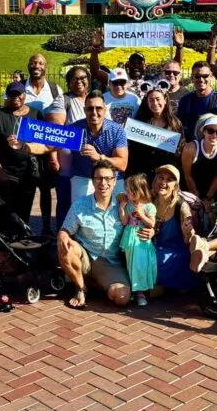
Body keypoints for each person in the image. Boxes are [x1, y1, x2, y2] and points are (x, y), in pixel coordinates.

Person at [57, 159, 131, 309]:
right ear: (93, 180)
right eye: (98, 178)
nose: (103, 183)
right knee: (67, 247)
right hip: (86, 257)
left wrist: (150, 230)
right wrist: (63, 236)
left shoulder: (123, 206)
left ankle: (96, 283)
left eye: (108, 178)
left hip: (110, 262)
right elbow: (65, 230)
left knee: (122, 297)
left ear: (114, 181)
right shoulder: (80, 204)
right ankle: (80, 288)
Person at [0, 81, 44, 224]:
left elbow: (44, 142)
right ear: (7, 96)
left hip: (29, 172)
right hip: (7, 171)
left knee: (25, 208)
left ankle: (23, 237)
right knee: (6, 210)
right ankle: (7, 240)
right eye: (12, 94)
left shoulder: (36, 115)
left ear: (24, 95)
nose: (16, 97)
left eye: (19, 94)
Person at [23, 54, 65, 237]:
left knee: (46, 188)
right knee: (25, 188)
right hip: (26, 145)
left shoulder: (55, 90)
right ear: (28, 66)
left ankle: (47, 225)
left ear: (46, 67)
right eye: (33, 62)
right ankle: (24, 225)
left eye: (40, 63)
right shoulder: (21, 89)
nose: (36, 65)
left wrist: (54, 154)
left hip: (47, 147)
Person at [68, 91, 128, 202]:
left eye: (98, 108)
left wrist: (99, 157)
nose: (94, 112)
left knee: (120, 210)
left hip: (112, 176)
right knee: (80, 214)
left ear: (105, 110)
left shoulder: (117, 130)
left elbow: (122, 164)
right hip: (83, 175)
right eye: (90, 109)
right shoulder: (74, 129)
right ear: (84, 110)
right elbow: (52, 141)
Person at [89, 28, 184, 97]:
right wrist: (95, 48)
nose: (136, 66)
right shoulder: (119, 81)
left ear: (145, 66)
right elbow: (95, 72)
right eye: (133, 63)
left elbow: (175, 67)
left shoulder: (154, 81)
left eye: (139, 63)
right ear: (127, 65)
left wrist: (179, 47)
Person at [150, 164, 198, 292]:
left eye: (169, 180)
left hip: (175, 251)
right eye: (161, 178)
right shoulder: (151, 199)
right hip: (155, 246)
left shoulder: (181, 206)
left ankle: (160, 288)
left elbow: (189, 240)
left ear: (175, 186)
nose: (163, 182)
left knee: (156, 260)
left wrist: (188, 231)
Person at [55, 66, 91, 229]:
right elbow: (54, 131)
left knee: (85, 202)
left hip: (88, 165)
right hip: (68, 166)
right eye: (74, 79)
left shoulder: (94, 99)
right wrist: (52, 157)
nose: (79, 81)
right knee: (65, 202)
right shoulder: (64, 100)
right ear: (69, 83)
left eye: (83, 77)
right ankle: (62, 237)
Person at [125, 87, 183, 182]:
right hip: (142, 175)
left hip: (165, 175)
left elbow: (179, 150)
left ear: (165, 100)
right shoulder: (139, 123)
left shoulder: (175, 124)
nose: (155, 103)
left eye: (158, 99)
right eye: (151, 100)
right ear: (147, 102)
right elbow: (133, 152)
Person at [116, 174, 157, 307]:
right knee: (129, 264)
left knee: (140, 265)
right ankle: (132, 290)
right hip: (129, 238)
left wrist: (141, 214)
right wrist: (122, 209)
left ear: (139, 190)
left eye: (129, 191)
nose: (127, 194)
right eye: (126, 190)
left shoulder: (149, 206)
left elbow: (151, 224)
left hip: (141, 239)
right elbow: (124, 222)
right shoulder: (128, 205)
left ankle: (140, 292)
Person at [181, 115, 217, 211]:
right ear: (204, 131)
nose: (214, 135)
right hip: (189, 190)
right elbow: (187, 175)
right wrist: (196, 198)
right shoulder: (190, 148)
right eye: (210, 131)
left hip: (214, 193)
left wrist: (207, 198)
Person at [176, 61, 217, 141]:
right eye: (197, 76)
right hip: (192, 149)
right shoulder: (185, 100)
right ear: (192, 77)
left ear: (211, 76)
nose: (201, 79)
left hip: (215, 149)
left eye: (205, 76)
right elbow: (179, 127)